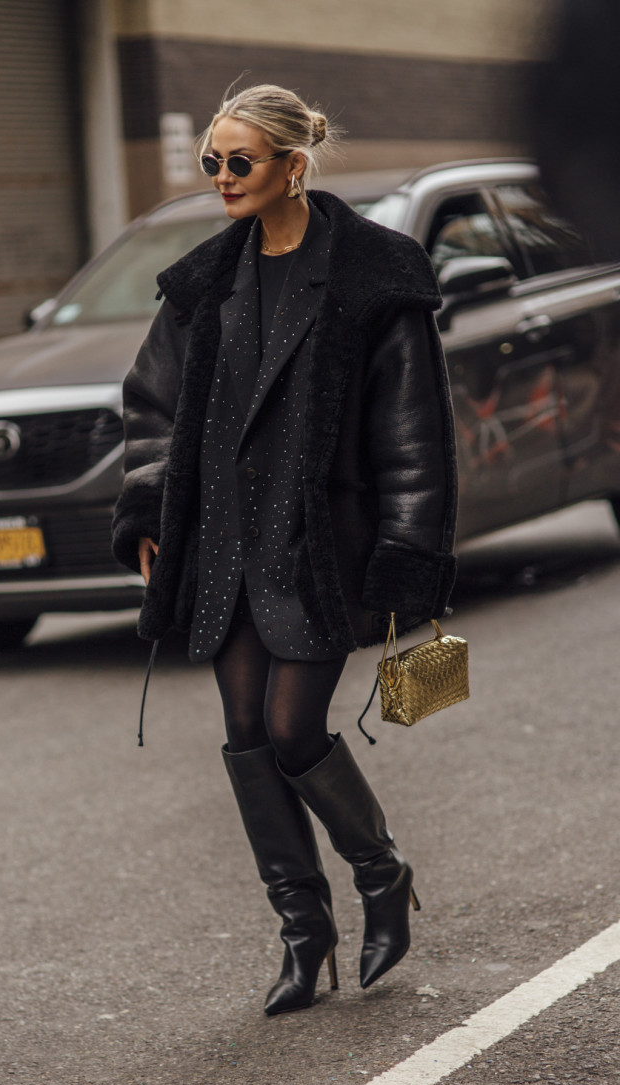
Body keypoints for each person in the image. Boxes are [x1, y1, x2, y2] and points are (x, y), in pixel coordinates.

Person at [111, 84, 457, 1016]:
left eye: (240, 162)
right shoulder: (201, 284)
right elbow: (150, 408)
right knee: (247, 735)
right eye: (211, 162)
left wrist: (407, 557)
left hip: (320, 545)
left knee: (298, 727)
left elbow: (414, 434)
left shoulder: (375, 275)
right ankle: (305, 936)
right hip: (225, 538)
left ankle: (381, 876)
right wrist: (150, 516)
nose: (222, 178)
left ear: (293, 166)